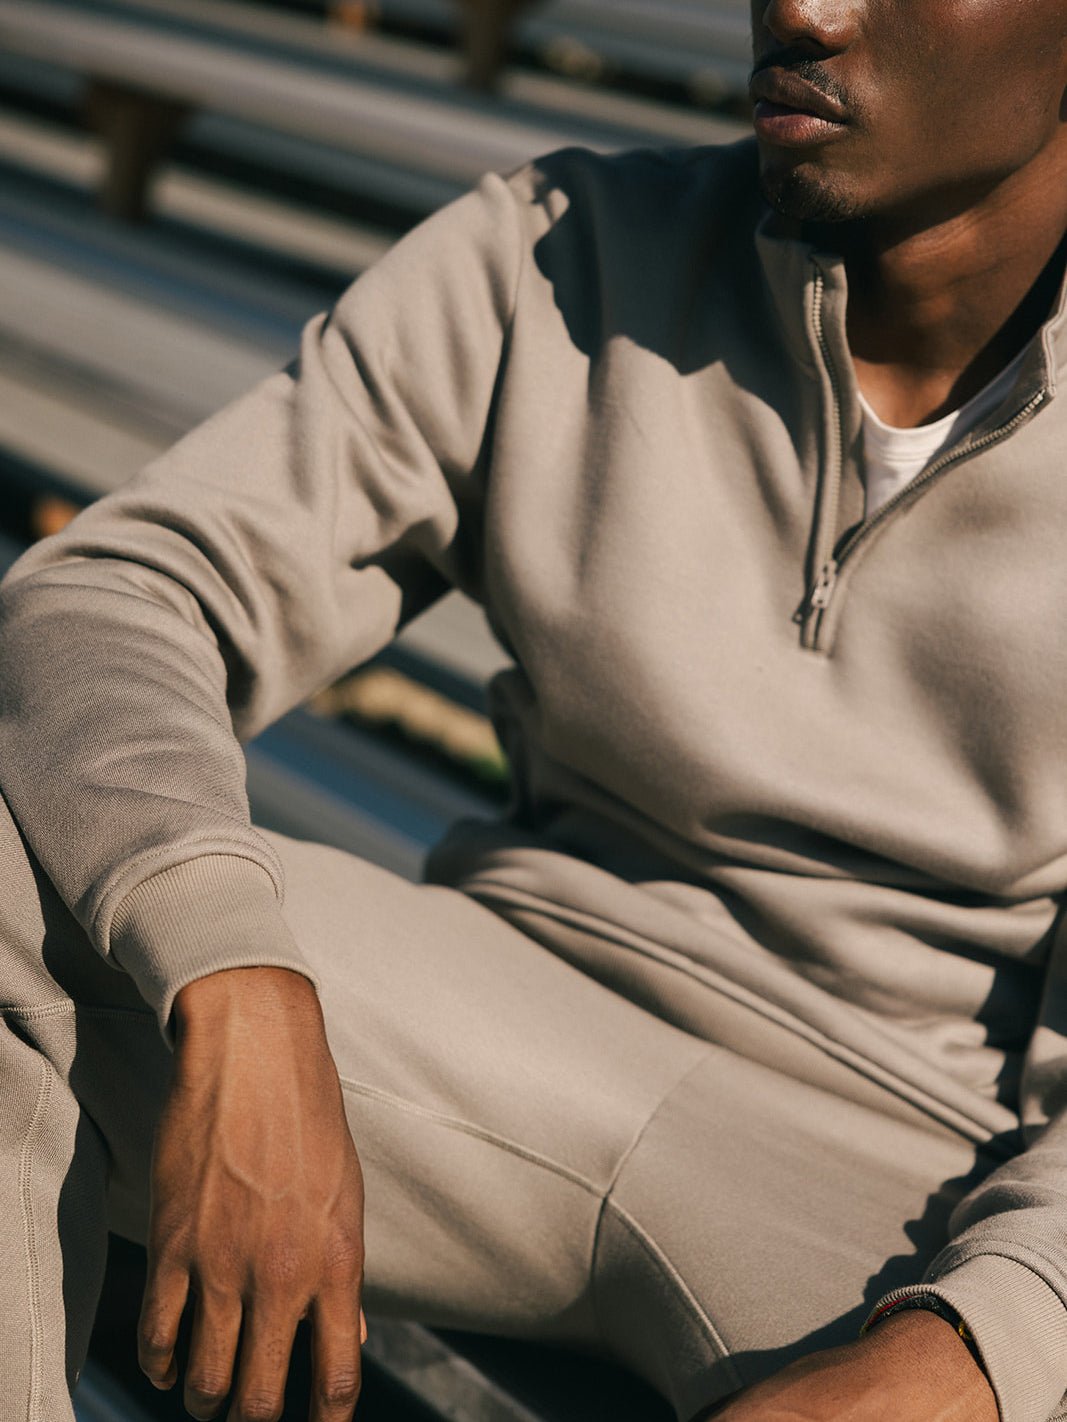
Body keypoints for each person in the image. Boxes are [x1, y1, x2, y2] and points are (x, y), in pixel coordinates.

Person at [3, 0, 1067, 1418]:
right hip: (510, 1031)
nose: (803, 9)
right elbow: (120, 590)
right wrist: (227, 964)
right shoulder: (568, 253)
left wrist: (977, 1349)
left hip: (907, 1180)